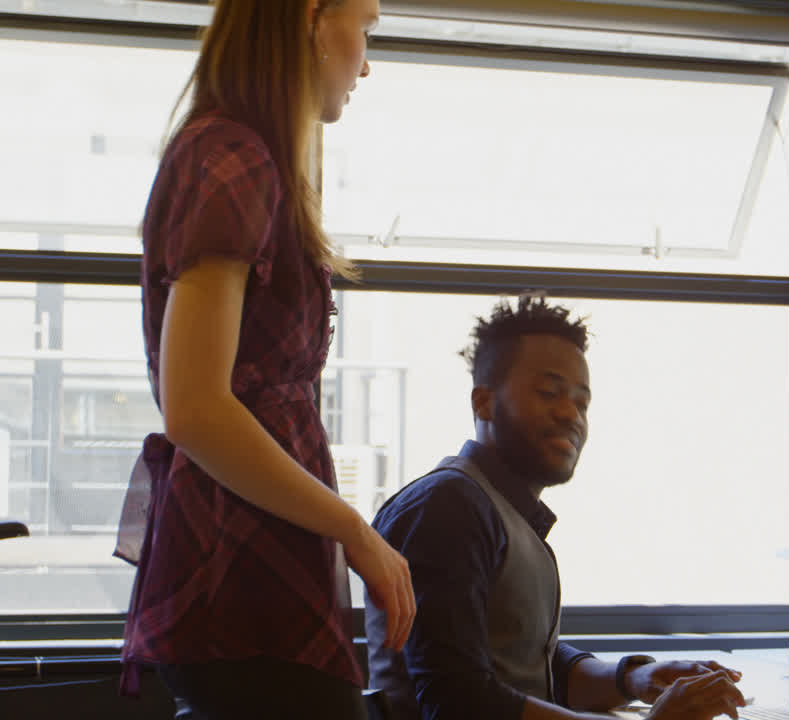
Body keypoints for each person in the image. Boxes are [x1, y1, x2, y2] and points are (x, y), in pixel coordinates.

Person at [119, 1, 414, 718]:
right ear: (312, 19)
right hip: (243, 570)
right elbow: (196, 407)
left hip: (246, 561)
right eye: (364, 26)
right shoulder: (233, 155)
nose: (366, 62)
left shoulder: (237, 155)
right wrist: (354, 531)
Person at [365, 296, 747, 720]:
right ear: (484, 403)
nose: (571, 414)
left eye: (582, 402)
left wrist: (634, 679)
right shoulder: (446, 508)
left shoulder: (500, 510)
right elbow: (459, 701)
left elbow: (530, 662)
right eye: (549, 393)